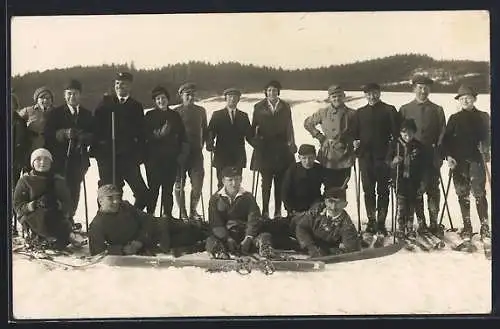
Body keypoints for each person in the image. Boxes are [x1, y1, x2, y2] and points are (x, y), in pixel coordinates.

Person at [88, 184, 209, 256]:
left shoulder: (125, 206)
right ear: (100, 201)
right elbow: (97, 251)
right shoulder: (97, 225)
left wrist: (139, 240)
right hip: (153, 242)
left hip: (159, 226)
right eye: (110, 198)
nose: (116, 201)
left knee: (193, 227)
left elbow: (147, 219)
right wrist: (122, 250)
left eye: (117, 197)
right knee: (190, 237)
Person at [91, 72, 150, 211]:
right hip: (108, 157)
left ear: (130, 86)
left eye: (123, 83)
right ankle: (106, 222)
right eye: (117, 83)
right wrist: (99, 151)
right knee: (109, 193)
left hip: (128, 157)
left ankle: (132, 217)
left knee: (143, 193)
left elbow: (141, 133)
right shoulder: (105, 103)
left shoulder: (136, 106)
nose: (119, 86)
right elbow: (96, 128)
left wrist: (139, 154)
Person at [349, 83, 400, 236]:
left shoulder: (389, 110)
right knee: (368, 190)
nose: (372, 96)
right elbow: (352, 133)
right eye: (369, 94)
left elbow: (396, 134)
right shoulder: (360, 113)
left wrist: (391, 153)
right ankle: (371, 221)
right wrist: (354, 141)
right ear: (365, 95)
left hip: (383, 158)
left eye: (375, 93)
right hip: (365, 158)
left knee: (383, 191)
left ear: (379, 93)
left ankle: (381, 222)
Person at [442, 85, 491, 240]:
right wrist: (449, 156)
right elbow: (446, 140)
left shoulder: (483, 116)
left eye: (468, 98)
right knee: (463, 194)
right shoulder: (454, 118)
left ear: (474, 99)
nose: (465, 100)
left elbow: (489, 135)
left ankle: (484, 227)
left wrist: (486, 146)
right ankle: (467, 226)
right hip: (459, 163)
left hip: (477, 160)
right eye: (462, 98)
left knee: (479, 193)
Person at [399, 76, 446, 235]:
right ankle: (418, 222)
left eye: (426, 87)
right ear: (413, 89)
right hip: (411, 159)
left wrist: (439, 153)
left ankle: (434, 222)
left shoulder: (437, 109)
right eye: (419, 87)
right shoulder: (405, 109)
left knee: (432, 189)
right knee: (415, 190)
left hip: (431, 156)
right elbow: (399, 134)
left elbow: (442, 132)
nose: (423, 90)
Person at [44, 79, 93, 229]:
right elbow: (48, 134)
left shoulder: (86, 113)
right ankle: (61, 221)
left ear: (80, 95)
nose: (72, 97)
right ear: (64, 96)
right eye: (69, 94)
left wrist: (85, 137)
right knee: (61, 191)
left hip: (79, 160)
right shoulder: (56, 113)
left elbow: (95, 133)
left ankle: (70, 218)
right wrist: (63, 133)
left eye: (75, 94)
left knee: (74, 190)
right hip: (61, 160)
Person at [13, 148, 82, 250]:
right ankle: (38, 236)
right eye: (38, 159)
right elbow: (18, 205)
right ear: (32, 163)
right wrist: (34, 204)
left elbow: (68, 205)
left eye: (46, 159)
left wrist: (58, 204)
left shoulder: (58, 180)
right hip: (32, 216)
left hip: (55, 215)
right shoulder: (25, 181)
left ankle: (64, 236)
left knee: (58, 224)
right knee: (42, 216)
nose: (42, 162)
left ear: (51, 162)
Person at [250, 80, 297, 219]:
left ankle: (278, 211)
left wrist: (292, 143)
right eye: (269, 90)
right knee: (266, 183)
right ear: (266, 92)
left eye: (274, 90)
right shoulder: (258, 107)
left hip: (282, 149)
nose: (272, 93)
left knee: (280, 183)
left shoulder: (285, 106)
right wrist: (256, 142)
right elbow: (254, 128)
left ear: (278, 92)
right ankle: (265, 211)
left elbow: (290, 127)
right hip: (265, 149)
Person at [205, 166, 274, 259]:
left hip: (244, 234)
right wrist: (227, 238)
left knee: (265, 236)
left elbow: (254, 218)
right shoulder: (216, 199)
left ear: (241, 179)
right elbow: (215, 223)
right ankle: (219, 252)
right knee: (211, 240)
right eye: (230, 180)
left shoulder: (248, 197)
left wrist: (248, 237)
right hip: (226, 235)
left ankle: (265, 250)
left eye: (237, 179)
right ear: (223, 181)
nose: (234, 184)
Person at [144, 86, 189, 217]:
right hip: (154, 160)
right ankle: (150, 216)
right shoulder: (149, 115)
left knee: (167, 189)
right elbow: (145, 135)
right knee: (153, 189)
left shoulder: (174, 115)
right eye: (158, 99)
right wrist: (158, 134)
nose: (161, 101)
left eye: (163, 98)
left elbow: (182, 136)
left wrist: (182, 154)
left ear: (168, 99)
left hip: (171, 159)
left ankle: (167, 216)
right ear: (154, 101)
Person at [304, 85, 356, 189]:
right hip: (328, 153)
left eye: (339, 96)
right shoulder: (323, 112)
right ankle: (327, 204)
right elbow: (308, 123)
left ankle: (340, 204)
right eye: (334, 96)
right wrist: (319, 136)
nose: (337, 99)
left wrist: (352, 141)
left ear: (344, 96)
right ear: (329, 98)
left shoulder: (352, 113)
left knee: (342, 185)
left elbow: (357, 132)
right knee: (328, 184)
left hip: (344, 154)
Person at [207, 88, 254, 190]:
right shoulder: (217, 115)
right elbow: (210, 132)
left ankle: (235, 205)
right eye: (230, 97)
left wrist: (258, 144)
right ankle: (221, 205)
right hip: (221, 155)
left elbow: (249, 135)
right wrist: (209, 142)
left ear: (238, 100)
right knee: (222, 184)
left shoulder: (243, 116)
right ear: (226, 99)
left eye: (235, 97)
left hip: (238, 156)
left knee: (235, 185)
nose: (232, 99)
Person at [174, 83, 209, 221]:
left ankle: (193, 210)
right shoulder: (176, 112)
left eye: (192, 95)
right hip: (181, 153)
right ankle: (183, 213)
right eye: (187, 94)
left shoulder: (201, 111)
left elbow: (205, 130)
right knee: (179, 184)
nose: (190, 97)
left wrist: (209, 141)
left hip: (196, 153)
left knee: (197, 185)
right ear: (181, 96)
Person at [386, 119, 426, 239]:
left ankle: (410, 226)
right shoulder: (395, 144)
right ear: (400, 133)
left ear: (414, 133)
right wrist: (393, 162)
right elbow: (387, 160)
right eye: (404, 133)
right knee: (401, 204)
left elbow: (423, 165)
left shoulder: (418, 145)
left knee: (411, 203)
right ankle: (400, 227)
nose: (407, 136)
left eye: (410, 133)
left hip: (413, 179)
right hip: (399, 179)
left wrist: (423, 181)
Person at [295, 187, 361, 258]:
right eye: (331, 201)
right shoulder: (316, 210)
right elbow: (301, 227)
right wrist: (311, 248)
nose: (333, 207)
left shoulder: (346, 225)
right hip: (296, 233)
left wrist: (329, 252)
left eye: (338, 203)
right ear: (326, 202)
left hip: (316, 249)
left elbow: (352, 250)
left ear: (345, 204)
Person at [18, 86, 55, 170]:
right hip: (31, 149)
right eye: (42, 97)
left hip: (50, 149)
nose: (45, 100)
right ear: (36, 99)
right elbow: (15, 121)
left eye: (48, 98)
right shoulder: (28, 111)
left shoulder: (57, 112)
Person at [282, 144, 324, 216]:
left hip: (314, 207)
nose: (307, 161)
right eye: (304, 158)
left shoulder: (319, 169)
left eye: (310, 158)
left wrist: (322, 204)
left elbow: (329, 188)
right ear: (299, 158)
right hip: (296, 208)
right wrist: (290, 209)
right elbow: (285, 191)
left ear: (315, 157)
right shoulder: (293, 169)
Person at [11, 92, 30, 236]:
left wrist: (21, 162)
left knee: (13, 192)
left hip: (14, 164)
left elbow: (23, 144)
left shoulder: (18, 121)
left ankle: (13, 224)